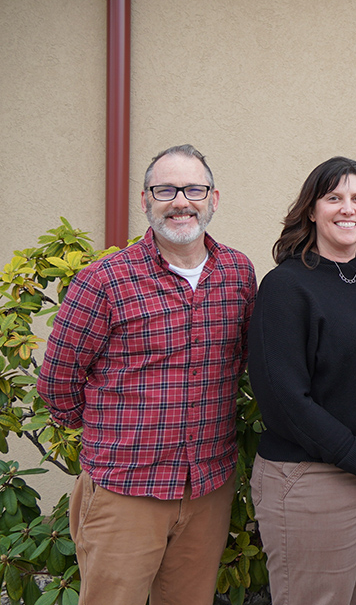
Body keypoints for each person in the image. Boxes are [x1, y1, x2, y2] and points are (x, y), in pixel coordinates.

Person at [37, 144, 256, 605]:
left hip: (208, 487)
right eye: (166, 189)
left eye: (194, 189)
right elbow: (58, 381)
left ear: (214, 198)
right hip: (126, 491)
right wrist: (113, 438)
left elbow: (240, 359)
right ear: (145, 200)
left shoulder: (237, 273)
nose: (181, 201)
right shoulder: (105, 280)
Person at [247, 157, 356, 605]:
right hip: (313, 479)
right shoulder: (287, 286)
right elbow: (283, 399)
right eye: (334, 197)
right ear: (312, 210)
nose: (347, 208)